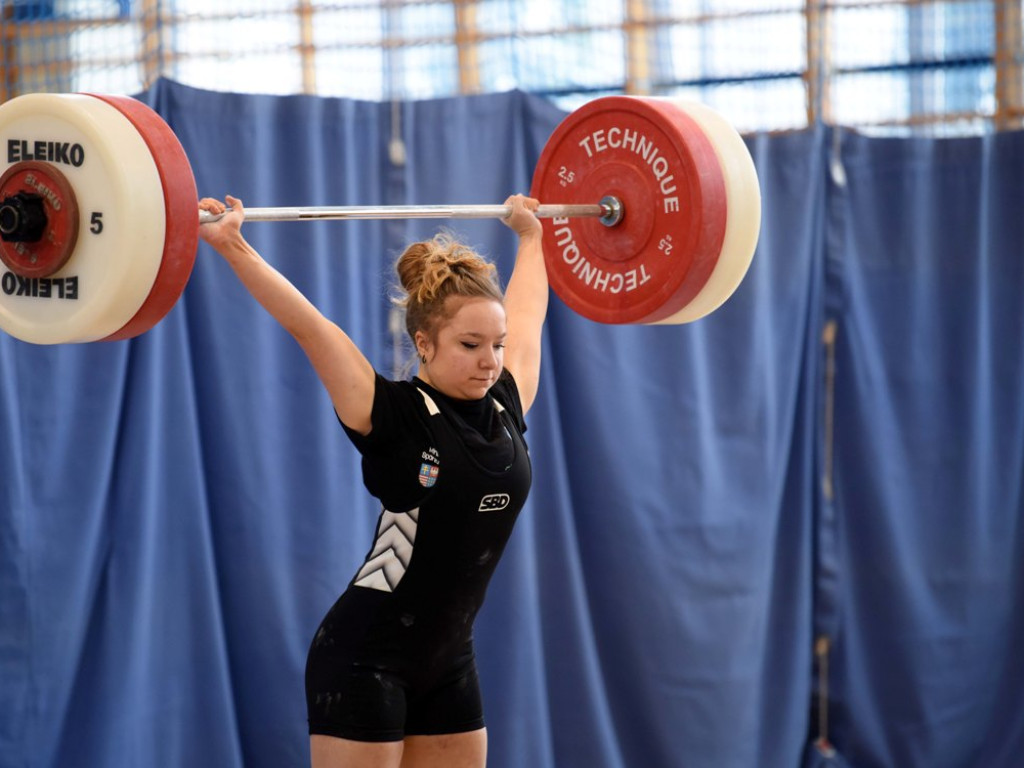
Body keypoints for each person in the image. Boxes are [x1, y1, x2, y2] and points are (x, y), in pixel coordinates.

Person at [198, 193, 548, 768]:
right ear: (424, 343)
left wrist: (531, 239)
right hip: (364, 660)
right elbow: (310, 328)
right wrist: (231, 243)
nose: (490, 361)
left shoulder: (507, 405)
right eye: (470, 345)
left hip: (450, 661)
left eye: (496, 345)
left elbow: (528, 315)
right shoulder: (393, 415)